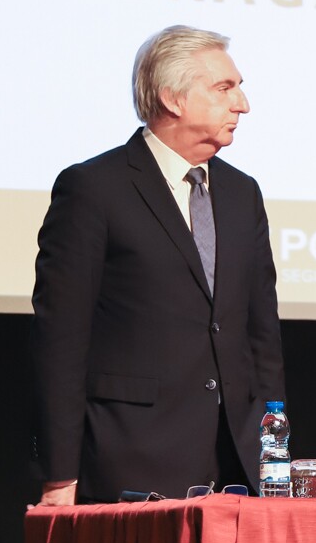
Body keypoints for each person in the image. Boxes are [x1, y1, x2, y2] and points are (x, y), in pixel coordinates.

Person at [31, 26, 285, 504]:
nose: (243, 104)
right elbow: (60, 341)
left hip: (238, 462)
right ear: (173, 98)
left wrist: (273, 459)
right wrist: (59, 474)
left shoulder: (241, 193)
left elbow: (262, 338)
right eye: (224, 88)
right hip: (129, 457)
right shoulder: (94, 189)